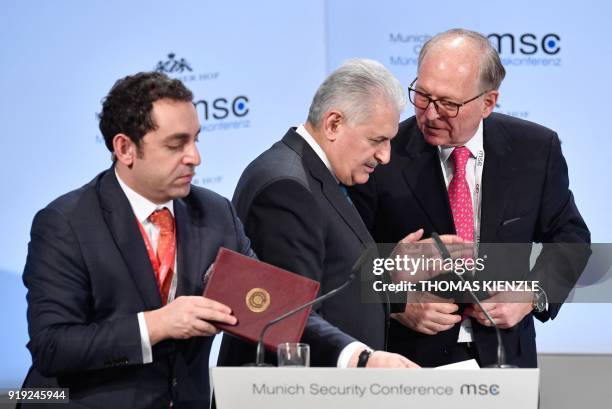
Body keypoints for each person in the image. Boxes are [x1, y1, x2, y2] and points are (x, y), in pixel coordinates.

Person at [350, 29, 590, 368]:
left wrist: (531, 295)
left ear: (488, 102)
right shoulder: (381, 154)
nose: (431, 114)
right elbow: (345, 261)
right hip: (409, 361)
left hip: (507, 358)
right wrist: (396, 302)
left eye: (448, 103)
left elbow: (571, 240)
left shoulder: (535, 149)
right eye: (422, 95)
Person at [22, 72, 254, 409]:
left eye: (195, 140)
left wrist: (349, 354)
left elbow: (271, 303)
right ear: (125, 148)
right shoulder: (64, 224)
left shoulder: (217, 212)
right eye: (177, 144)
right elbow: (52, 347)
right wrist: (156, 325)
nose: (195, 157)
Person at [218, 58, 459, 369]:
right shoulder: (287, 188)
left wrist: (388, 272)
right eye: (377, 140)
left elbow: (330, 282)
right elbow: (288, 315)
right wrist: (360, 360)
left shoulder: (314, 174)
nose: (385, 156)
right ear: (333, 123)